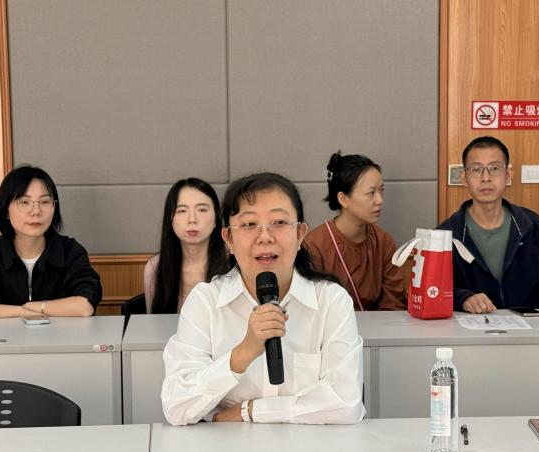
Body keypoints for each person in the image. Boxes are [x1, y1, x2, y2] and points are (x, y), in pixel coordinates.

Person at [162, 172, 366, 426]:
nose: (265, 236)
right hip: (226, 450)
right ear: (229, 239)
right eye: (249, 224)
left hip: (310, 449)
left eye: (279, 222)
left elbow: (346, 404)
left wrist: (249, 411)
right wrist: (242, 354)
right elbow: (177, 407)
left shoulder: (330, 301)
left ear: (300, 233)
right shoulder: (205, 302)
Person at [0, 165, 102, 319]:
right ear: (6, 210)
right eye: (24, 202)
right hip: (1, 336)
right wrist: (20, 311)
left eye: (45, 202)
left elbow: (84, 305)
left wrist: (37, 307)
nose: (36, 211)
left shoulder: (69, 251)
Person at [438, 136, 539, 313]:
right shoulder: (446, 234)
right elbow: (433, 292)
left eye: (494, 168)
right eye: (476, 169)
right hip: (470, 327)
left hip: (529, 327)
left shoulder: (531, 225)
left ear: (508, 174)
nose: (485, 178)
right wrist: (462, 298)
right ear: (464, 178)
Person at [303, 151, 406, 311]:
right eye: (371, 193)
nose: (380, 200)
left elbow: (393, 303)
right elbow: (312, 306)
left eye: (381, 191)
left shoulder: (384, 242)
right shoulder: (314, 246)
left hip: (380, 325)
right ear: (343, 199)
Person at [143, 178, 227, 313]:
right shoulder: (155, 268)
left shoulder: (234, 264)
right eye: (182, 211)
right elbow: (154, 322)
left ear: (216, 219)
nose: (192, 219)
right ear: (170, 219)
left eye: (202, 210)